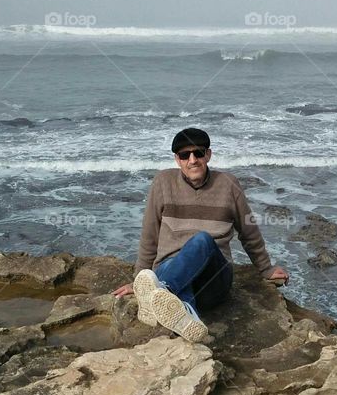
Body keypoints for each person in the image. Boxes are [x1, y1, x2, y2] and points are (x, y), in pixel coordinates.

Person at [112, 127, 289, 342]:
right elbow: (150, 234)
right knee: (176, 276)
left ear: (208, 154)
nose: (192, 160)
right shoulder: (162, 182)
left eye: (198, 153)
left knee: (202, 240)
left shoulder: (229, 184)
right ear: (177, 159)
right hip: (171, 266)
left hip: (214, 278)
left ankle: (159, 292)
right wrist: (139, 277)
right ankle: (187, 319)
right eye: (185, 155)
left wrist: (266, 269)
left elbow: (248, 231)